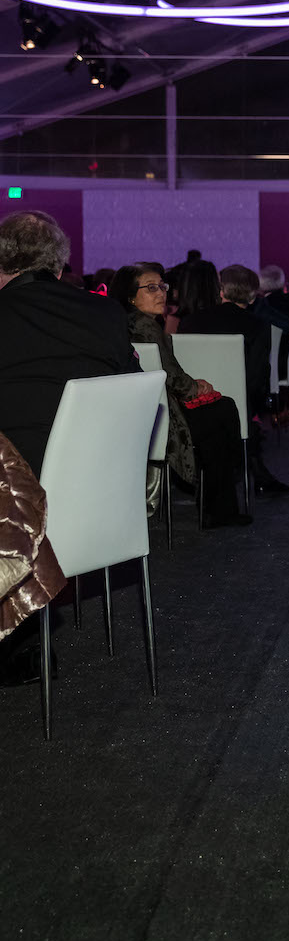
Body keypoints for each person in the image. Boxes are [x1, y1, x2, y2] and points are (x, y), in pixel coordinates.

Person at [0, 211, 138, 686]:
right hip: (95, 496)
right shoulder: (106, 313)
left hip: (13, 508)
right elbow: (131, 391)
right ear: (60, 265)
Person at [110, 262, 251, 528]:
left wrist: (192, 385)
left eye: (162, 286)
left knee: (216, 417)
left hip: (139, 413)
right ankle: (220, 503)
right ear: (130, 296)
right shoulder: (145, 327)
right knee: (223, 411)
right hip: (161, 419)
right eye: (151, 288)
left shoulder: (124, 324)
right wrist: (196, 387)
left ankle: (217, 504)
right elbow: (171, 377)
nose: (161, 293)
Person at [178, 264, 289, 495]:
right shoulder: (257, 326)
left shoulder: (190, 322)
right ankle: (257, 476)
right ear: (253, 297)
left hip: (193, 404)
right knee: (249, 407)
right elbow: (256, 379)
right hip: (235, 406)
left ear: (221, 290)